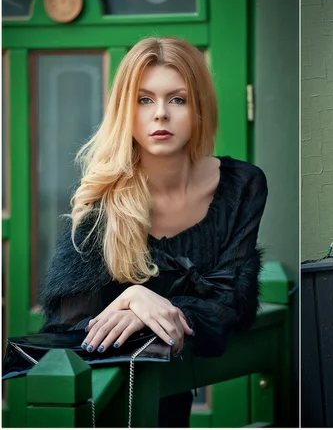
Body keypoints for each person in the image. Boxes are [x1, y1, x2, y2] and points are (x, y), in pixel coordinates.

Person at [39, 36, 268, 427]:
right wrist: (133, 297)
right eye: (144, 100)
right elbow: (63, 330)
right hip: (103, 400)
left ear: (198, 108)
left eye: (176, 99)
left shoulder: (241, 185)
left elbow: (233, 304)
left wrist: (165, 309)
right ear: (125, 111)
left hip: (168, 393)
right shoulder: (104, 198)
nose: (160, 114)